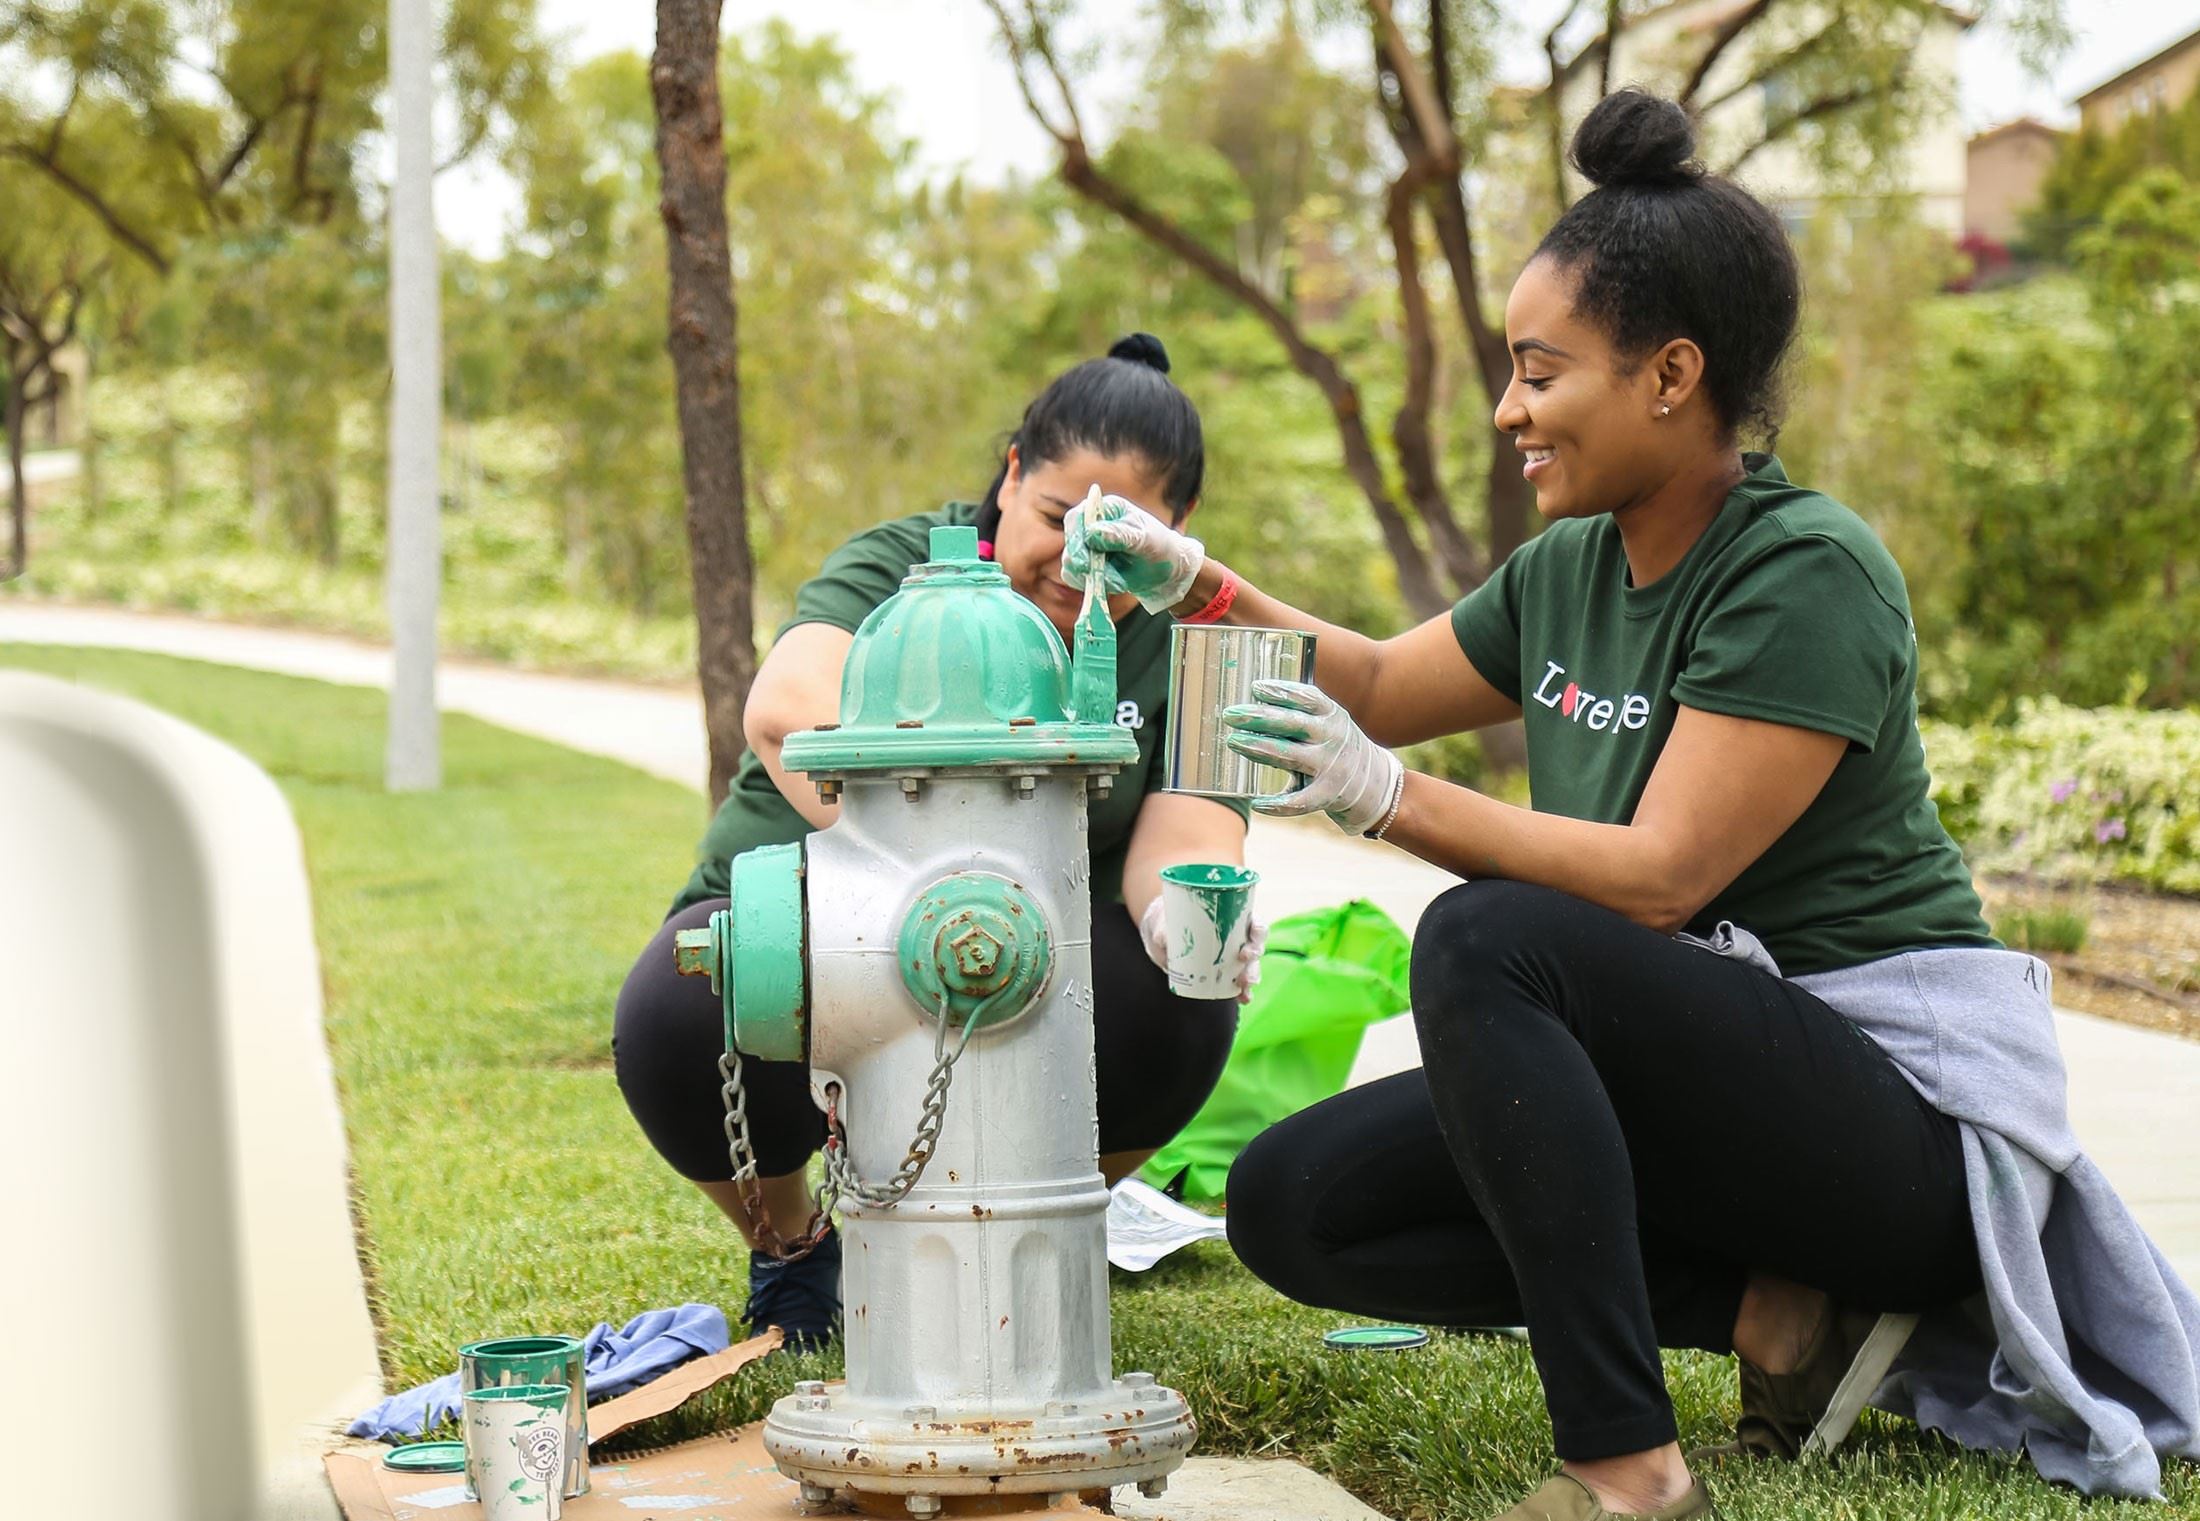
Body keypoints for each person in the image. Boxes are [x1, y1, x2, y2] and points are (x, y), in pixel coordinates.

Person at [1063, 91, 2200, 1518]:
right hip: (1706, 1097)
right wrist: (1199, 584)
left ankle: (1626, 1468)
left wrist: (1382, 798)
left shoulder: (1805, 571)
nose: (1508, 409)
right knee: (1297, 1199)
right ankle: (1775, 1317)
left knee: (1486, 938)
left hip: (1896, 1122)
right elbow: (1375, 680)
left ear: (1671, 375)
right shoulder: (1569, 569)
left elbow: (1659, 878)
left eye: (1540, 373)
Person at [614, 334, 1261, 1353]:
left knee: (1179, 1000)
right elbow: (788, 709)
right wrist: (944, 868)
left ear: (1179, 533)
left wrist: (1194, 920)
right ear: (1011, 475)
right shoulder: (894, 567)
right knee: (685, 1001)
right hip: (838, 923)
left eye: (1124, 539)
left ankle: (1028, 1223)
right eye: (1057, 519)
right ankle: (793, 1249)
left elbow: (1184, 843)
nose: (1077, 560)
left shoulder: (1206, 641)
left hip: (1037, 965)